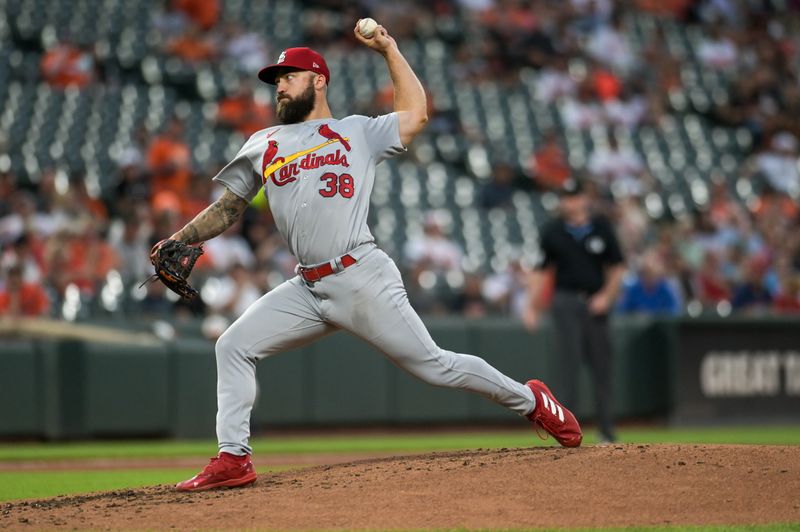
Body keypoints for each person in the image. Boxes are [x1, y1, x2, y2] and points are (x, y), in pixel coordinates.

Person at [158, 22, 582, 492]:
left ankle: (532, 400)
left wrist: (389, 49)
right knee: (233, 346)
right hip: (307, 286)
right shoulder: (263, 142)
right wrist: (182, 237)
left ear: (319, 80)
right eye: (276, 79)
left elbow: (416, 114)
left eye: (289, 75)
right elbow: (230, 206)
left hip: (360, 275)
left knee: (435, 366)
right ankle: (233, 458)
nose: (279, 84)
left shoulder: (356, 131)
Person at [524, 179, 624, 443]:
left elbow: (617, 268)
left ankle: (606, 431)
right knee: (568, 368)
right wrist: (531, 306)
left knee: (602, 367)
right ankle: (567, 431)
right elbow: (540, 269)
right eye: (566, 197)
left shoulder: (601, 228)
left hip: (595, 302)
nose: (571, 201)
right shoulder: (554, 230)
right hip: (565, 301)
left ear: (584, 198)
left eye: (575, 196)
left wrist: (606, 296)